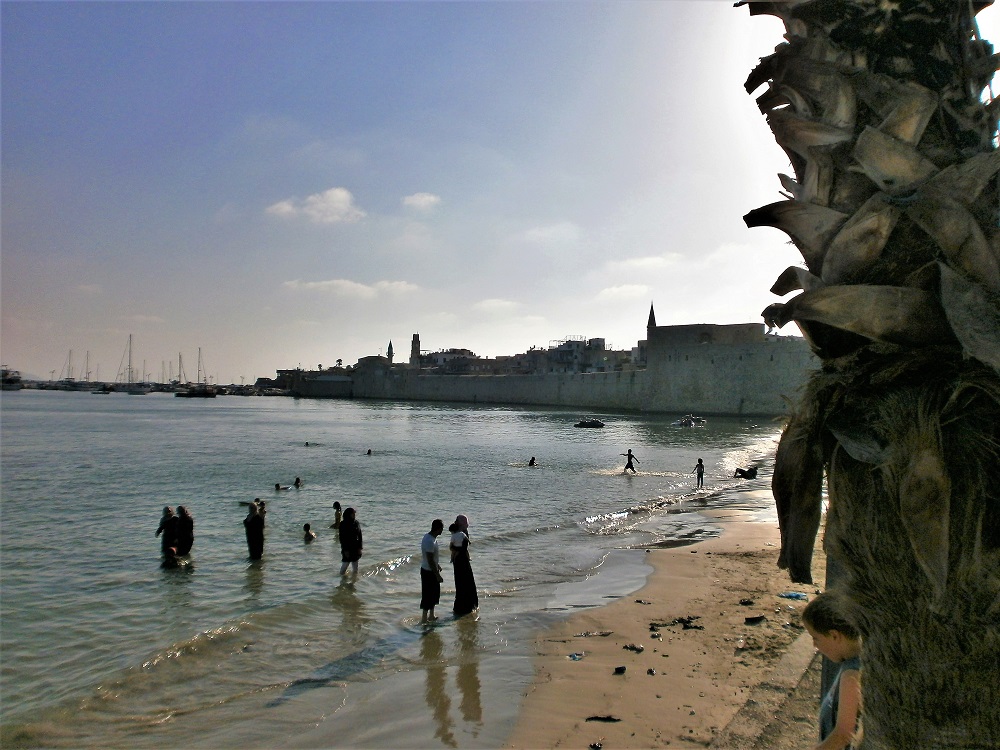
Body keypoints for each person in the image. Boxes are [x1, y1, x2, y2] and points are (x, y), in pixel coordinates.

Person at [802, 592, 862, 750]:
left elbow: (843, 734)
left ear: (834, 635)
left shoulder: (852, 675)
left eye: (816, 638)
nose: (815, 645)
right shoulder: (854, 663)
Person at [451, 514, 479, 616]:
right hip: (461, 560)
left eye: (457, 520)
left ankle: (464, 606)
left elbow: (462, 548)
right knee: (464, 582)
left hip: (461, 560)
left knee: (463, 582)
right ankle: (468, 605)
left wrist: (453, 550)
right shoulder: (460, 532)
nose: (455, 522)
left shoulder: (463, 533)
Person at [420, 519, 445, 623]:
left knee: (434, 594)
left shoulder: (430, 537)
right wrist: (437, 575)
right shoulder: (430, 541)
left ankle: (431, 615)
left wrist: (437, 565)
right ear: (438, 529)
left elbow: (432, 557)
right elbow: (429, 559)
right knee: (427, 595)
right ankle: (424, 618)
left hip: (431, 569)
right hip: (428, 571)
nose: (442, 531)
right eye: (441, 529)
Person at [338, 507, 363, 577]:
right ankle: (342, 581)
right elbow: (342, 538)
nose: (354, 515)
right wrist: (345, 550)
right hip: (347, 547)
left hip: (355, 547)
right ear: (348, 514)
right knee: (345, 565)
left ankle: (354, 581)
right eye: (353, 514)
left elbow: (360, 535)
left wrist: (360, 547)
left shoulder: (356, 523)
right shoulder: (343, 524)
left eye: (354, 514)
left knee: (355, 567)